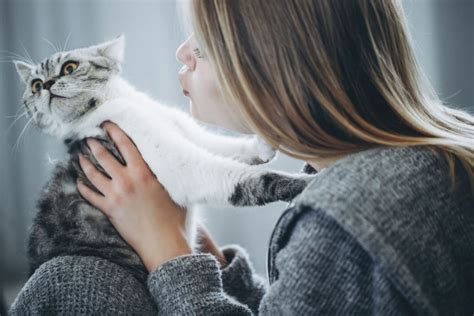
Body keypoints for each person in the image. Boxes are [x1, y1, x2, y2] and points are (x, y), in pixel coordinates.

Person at [10, 0, 474, 314]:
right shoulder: (434, 161)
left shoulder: (341, 224)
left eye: (203, 45)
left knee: (65, 282)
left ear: (272, 65)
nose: (182, 53)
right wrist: (224, 275)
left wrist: (170, 256)